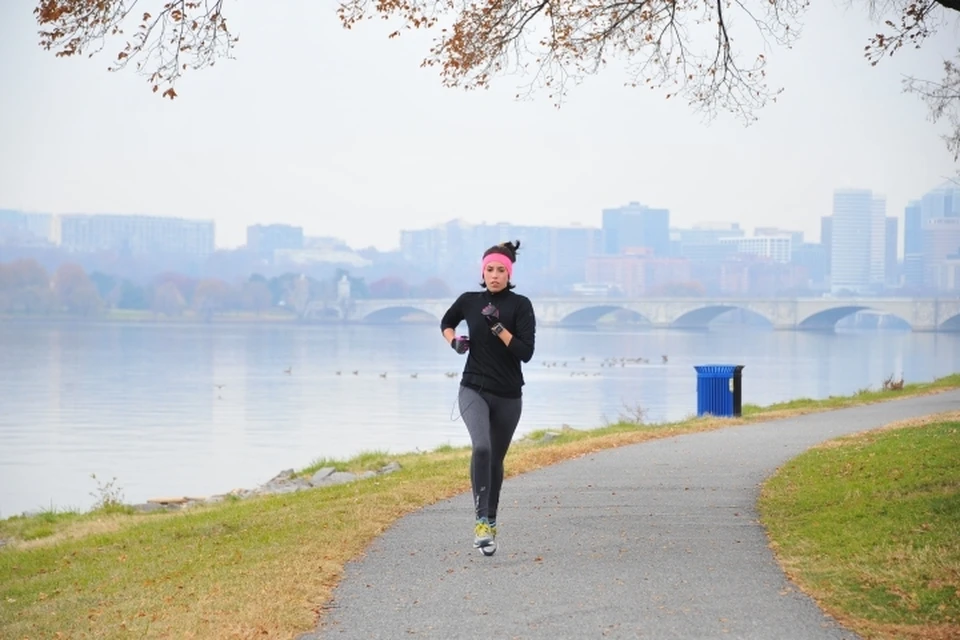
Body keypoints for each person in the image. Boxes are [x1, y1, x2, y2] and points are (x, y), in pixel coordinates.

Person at [440, 240, 536, 556]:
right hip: (473, 389)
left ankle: (492, 521)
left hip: (509, 395)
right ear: (482, 272)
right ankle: (481, 521)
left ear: (509, 273)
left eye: (500, 270)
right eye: (489, 270)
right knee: (481, 447)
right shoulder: (469, 301)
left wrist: (498, 327)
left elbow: (526, 353)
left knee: (495, 458)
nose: (494, 275)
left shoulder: (521, 306)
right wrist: (454, 342)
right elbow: (446, 322)